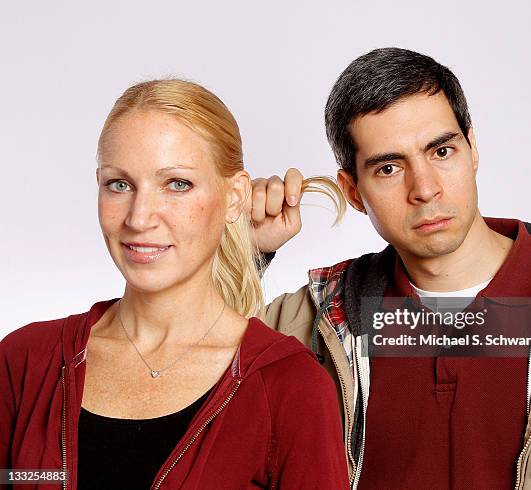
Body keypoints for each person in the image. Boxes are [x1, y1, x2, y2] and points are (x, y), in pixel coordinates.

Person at [251, 48, 531, 489]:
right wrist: (247, 252)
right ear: (353, 192)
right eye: (388, 167)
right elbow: (170, 372)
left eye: (441, 151)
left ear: (472, 148)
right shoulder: (309, 324)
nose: (424, 188)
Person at [0, 79, 350, 489]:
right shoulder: (25, 361)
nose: (139, 217)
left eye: (177, 184)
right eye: (119, 184)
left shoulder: (291, 386)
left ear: (235, 196)